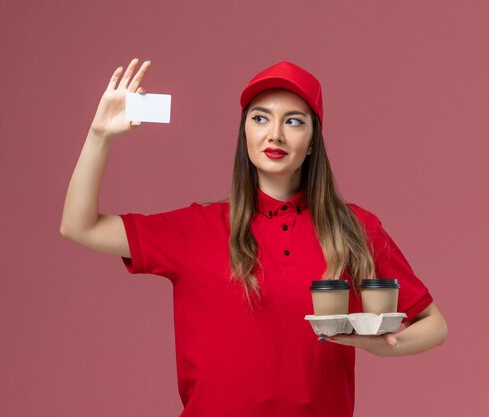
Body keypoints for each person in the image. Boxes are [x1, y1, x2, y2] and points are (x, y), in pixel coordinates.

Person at [59, 58, 448, 417]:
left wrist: (382, 346)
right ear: (245, 131)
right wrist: (99, 137)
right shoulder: (196, 229)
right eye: (261, 118)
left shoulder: (355, 228)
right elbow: (79, 226)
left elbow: (434, 324)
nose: (275, 134)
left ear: (313, 142)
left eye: (294, 121)